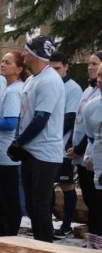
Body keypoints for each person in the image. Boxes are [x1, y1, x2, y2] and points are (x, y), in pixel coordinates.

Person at [11, 36, 66, 243]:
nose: (23, 54)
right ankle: (38, 247)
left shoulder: (50, 81)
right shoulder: (33, 78)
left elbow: (41, 118)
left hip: (45, 152)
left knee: (40, 204)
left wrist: (20, 142)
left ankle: (46, 248)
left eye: (26, 51)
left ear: (35, 55)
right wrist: (19, 140)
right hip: (30, 149)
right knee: (33, 206)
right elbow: (25, 115)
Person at [0, 49, 28, 237]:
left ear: (19, 69)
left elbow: (10, 123)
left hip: (6, 155)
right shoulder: (7, 87)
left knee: (7, 199)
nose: (2, 64)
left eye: (8, 62)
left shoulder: (14, 91)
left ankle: (8, 235)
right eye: (2, 61)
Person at [49, 52, 84, 237]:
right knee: (47, 186)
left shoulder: (73, 88)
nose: (55, 73)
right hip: (47, 146)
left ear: (66, 66)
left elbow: (70, 118)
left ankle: (67, 225)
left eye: (58, 69)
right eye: (51, 69)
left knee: (66, 185)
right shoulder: (49, 85)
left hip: (62, 147)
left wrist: (49, 134)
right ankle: (48, 222)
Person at [69, 52, 102, 247]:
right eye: (99, 75)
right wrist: (88, 154)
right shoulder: (92, 105)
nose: (99, 80)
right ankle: (95, 244)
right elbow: (91, 136)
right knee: (95, 203)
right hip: (98, 168)